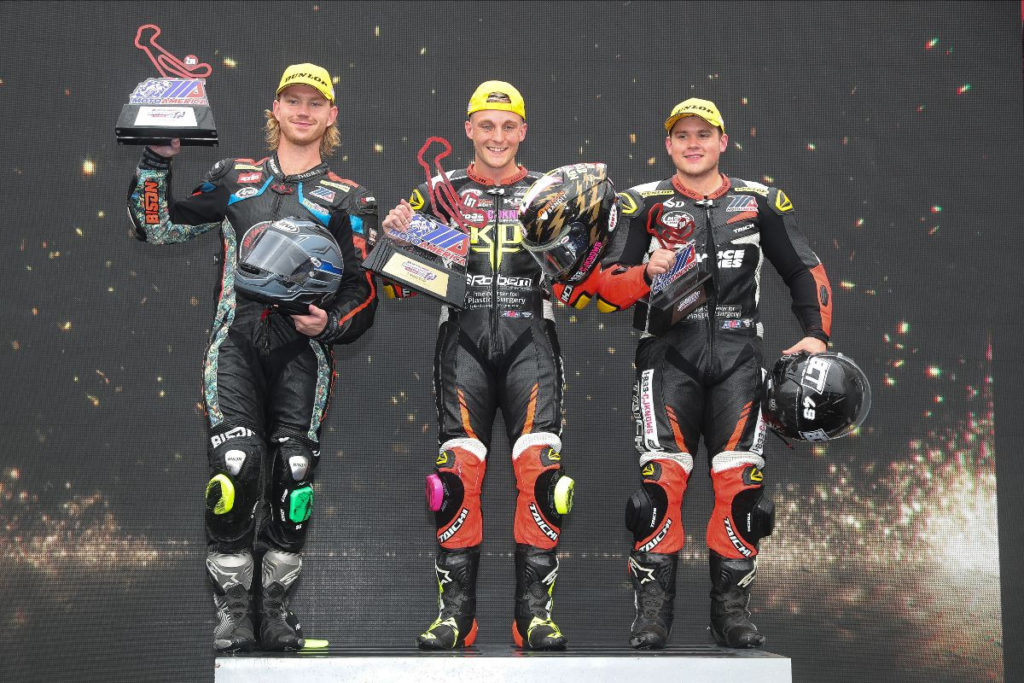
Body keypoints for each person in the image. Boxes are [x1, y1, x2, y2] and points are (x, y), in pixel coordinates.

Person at [561, 97, 832, 649]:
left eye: (703, 135)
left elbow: (806, 269)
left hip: (740, 362)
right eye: (681, 135)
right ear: (668, 144)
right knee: (658, 491)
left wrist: (816, 334)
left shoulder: (760, 202)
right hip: (667, 359)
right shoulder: (641, 203)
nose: (692, 143)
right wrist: (644, 272)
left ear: (722, 141)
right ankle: (653, 615)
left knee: (743, 492)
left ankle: (731, 613)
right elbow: (602, 287)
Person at [125, 63, 378, 652]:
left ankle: (277, 611)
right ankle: (233, 611)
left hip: (303, 352)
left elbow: (363, 288)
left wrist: (331, 323)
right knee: (236, 466)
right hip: (235, 343)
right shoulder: (232, 176)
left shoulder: (349, 198)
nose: (303, 111)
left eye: (315, 103)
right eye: (292, 100)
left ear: (331, 115)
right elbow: (156, 226)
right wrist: (157, 159)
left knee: (293, 475)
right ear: (275, 108)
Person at [381, 81, 572, 651]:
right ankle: (455, 617)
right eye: (486, 125)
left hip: (531, 343)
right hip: (460, 345)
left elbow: (580, 280)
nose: (497, 136)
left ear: (523, 131)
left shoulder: (549, 193)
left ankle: (533, 617)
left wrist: (579, 252)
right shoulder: (433, 195)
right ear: (468, 129)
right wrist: (396, 240)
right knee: (454, 481)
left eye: (508, 125)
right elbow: (396, 292)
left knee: (543, 476)